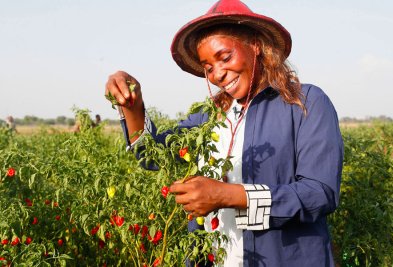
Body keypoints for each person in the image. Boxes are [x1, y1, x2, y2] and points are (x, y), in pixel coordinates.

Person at [105, 0, 343, 266]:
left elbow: (319, 193)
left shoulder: (305, 103)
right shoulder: (210, 118)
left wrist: (225, 195)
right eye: (208, 68)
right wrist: (132, 106)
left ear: (255, 45)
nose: (217, 73)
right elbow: (153, 157)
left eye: (225, 57)